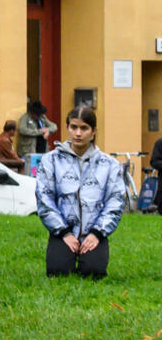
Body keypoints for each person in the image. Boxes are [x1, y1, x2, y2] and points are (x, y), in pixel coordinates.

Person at [36, 103, 122, 279]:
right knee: (58, 273)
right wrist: (64, 233)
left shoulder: (109, 165)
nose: (78, 133)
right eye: (73, 127)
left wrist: (97, 233)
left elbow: (116, 200)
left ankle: (92, 253)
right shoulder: (50, 161)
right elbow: (44, 198)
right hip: (62, 231)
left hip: (94, 231)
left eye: (84, 128)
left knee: (93, 273)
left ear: (93, 131)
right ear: (67, 127)